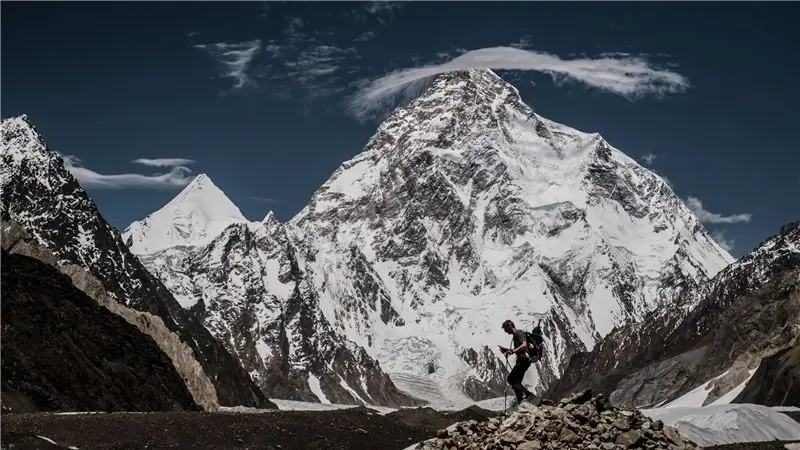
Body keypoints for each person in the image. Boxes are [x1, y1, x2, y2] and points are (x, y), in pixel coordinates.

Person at [498, 319, 536, 406]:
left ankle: (528, 394)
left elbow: (524, 345)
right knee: (516, 382)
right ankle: (520, 402)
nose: (505, 331)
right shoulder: (516, 335)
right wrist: (507, 350)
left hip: (523, 360)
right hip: (523, 360)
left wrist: (513, 351)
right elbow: (520, 348)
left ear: (509, 327)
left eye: (505, 329)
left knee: (511, 379)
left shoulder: (518, 333)